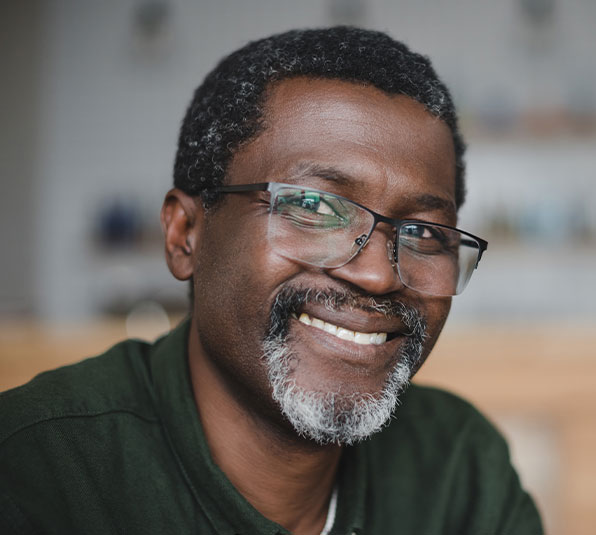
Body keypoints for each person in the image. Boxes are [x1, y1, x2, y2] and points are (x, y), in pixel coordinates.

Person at [0, 27, 543, 534]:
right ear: (186, 233)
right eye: (312, 205)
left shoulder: (459, 470)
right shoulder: (36, 471)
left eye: (425, 233)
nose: (378, 275)